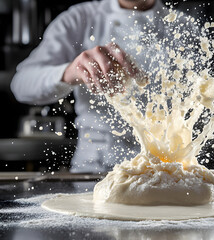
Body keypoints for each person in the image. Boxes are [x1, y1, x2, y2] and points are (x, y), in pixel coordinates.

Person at [11, 0, 169, 173]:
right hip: (94, 168)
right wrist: (71, 71)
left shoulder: (182, 25)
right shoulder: (80, 18)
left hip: (165, 169)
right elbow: (21, 84)